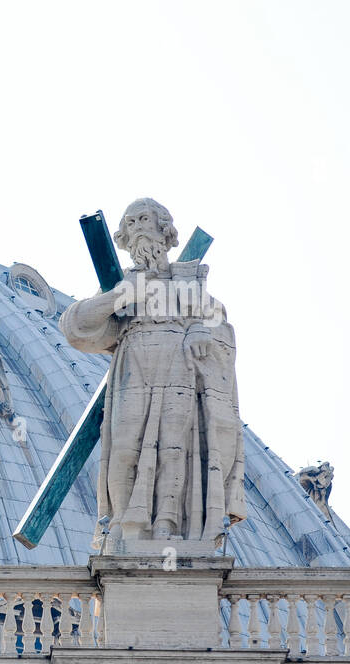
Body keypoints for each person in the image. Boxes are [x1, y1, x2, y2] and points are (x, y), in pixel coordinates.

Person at [59, 198, 246, 550]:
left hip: (179, 366)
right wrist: (121, 295)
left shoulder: (188, 280)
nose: (137, 228)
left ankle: (166, 523)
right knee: (124, 445)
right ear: (124, 239)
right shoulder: (122, 285)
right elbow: (77, 326)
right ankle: (122, 522)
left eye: (144, 219)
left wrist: (199, 331)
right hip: (135, 363)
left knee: (175, 448)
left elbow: (219, 322)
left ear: (165, 230)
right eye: (129, 223)